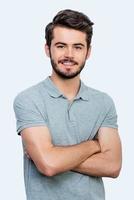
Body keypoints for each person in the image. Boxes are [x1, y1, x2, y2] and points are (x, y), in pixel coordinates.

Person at [13, 9, 122, 200]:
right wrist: (92, 145)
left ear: (88, 51)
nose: (69, 54)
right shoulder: (28, 99)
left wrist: (54, 156)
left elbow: (113, 166)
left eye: (78, 47)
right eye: (61, 46)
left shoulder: (103, 102)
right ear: (48, 49)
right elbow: (48, 165)